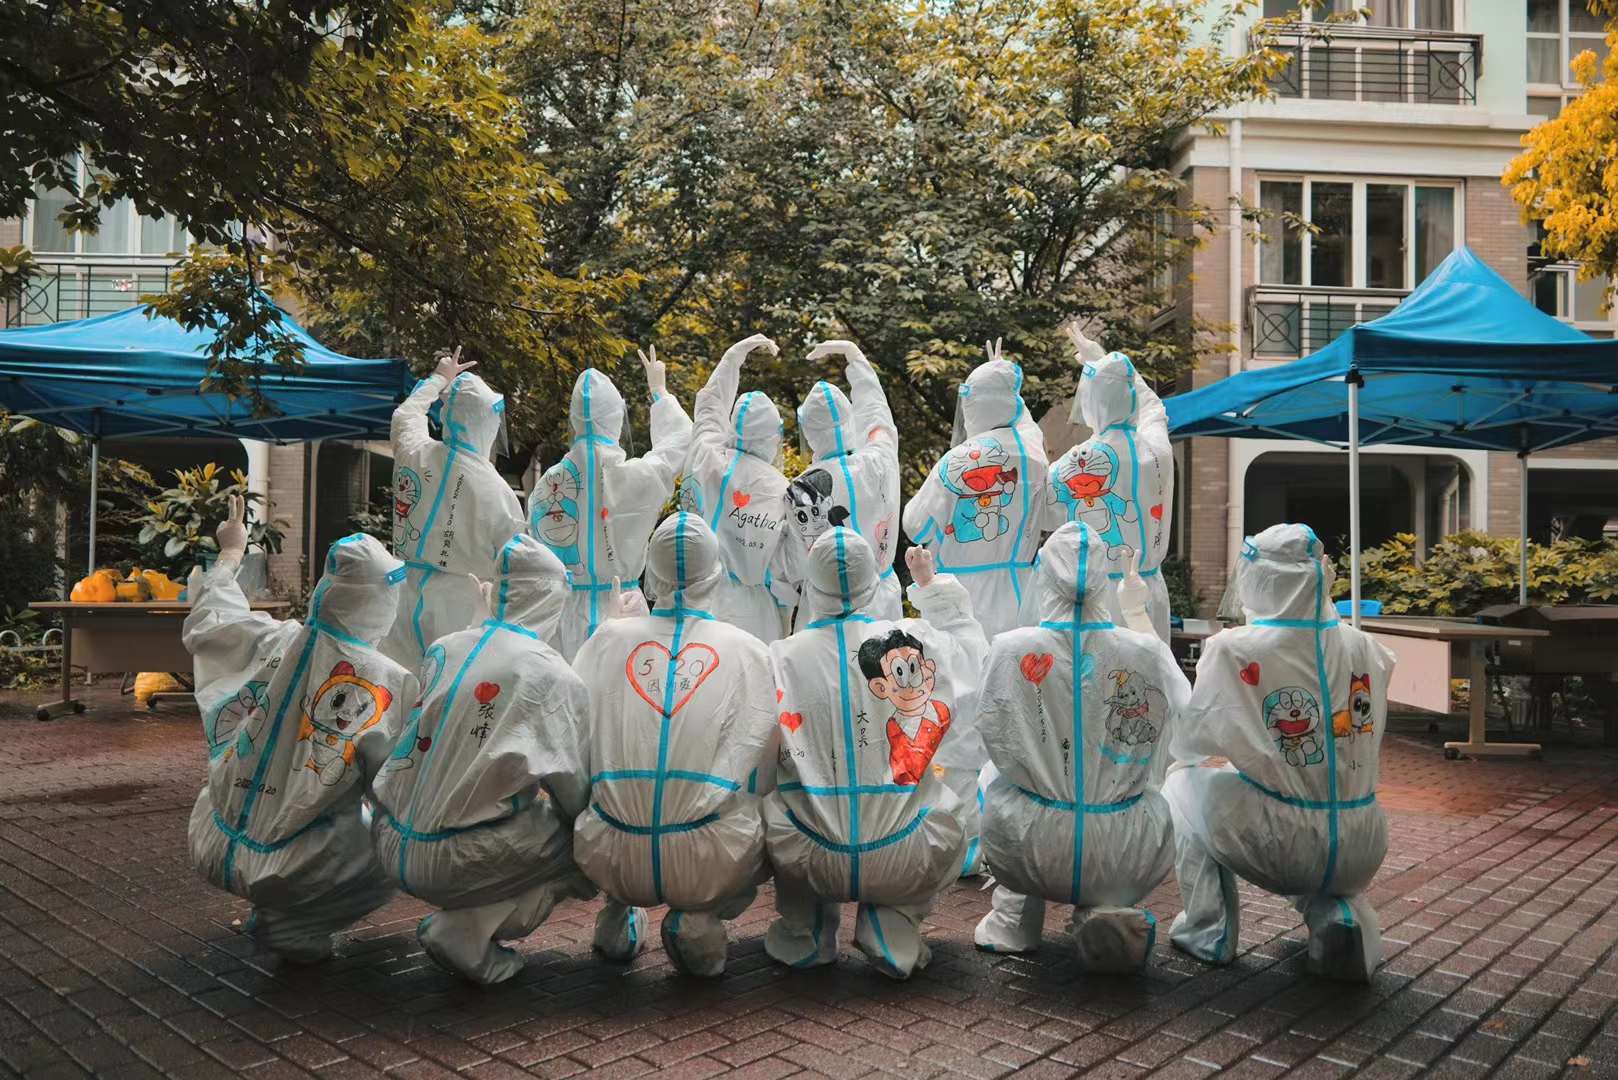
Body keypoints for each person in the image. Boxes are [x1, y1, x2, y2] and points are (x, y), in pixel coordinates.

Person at [184, 496, 415, 964]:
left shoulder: (276, 638)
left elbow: (212, 618)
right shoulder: (384, 680)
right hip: (295, 863)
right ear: (380, 601)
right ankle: (296, 925)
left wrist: (230, 553)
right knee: (395, 842)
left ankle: (274, 907)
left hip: (214, 838)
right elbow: (395, 784)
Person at [1161, 523, 1395, 982]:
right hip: (1364, 840)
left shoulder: (1234, 648)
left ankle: (1207, 931)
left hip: (1285, 842)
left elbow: (1192, 741)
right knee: (1308, 819)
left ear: (1260, 581)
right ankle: (1337, 917)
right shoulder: (1365, 645)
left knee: (1179, 784)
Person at [763, 528, 988, 978]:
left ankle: (805, 927)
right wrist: (932, 588)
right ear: (873, 582)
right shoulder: (910, 643)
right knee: (953, 804)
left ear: (811, 582)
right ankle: (894, 919)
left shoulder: (780, 657)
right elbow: (973, 660)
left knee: (776, 799)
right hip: (905, 847)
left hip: (808, 853)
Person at [370, 534, 594, 984]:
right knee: (589, 844)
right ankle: (468, 930)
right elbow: (571, 788)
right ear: (553, 599)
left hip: (391, 840)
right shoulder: (547, 672)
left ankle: (469, 909)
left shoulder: (445, 647)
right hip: (457, 855)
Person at [971, 522, 1188, 971]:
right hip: (1126, 846)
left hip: (1031, 842)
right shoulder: (1143, 651)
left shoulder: (1010, 648)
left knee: (995, 776)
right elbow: (1188, 727)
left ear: (1044, 577)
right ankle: (1111, 907)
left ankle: (1015, 922)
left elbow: (992, 731)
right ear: (1104, 581)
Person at [571, 512, 779, 976]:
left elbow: (575, 736)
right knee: (771, 810)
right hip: (711, 857)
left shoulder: (607, 639)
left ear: (651, 573)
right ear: (716, 573)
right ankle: (698, 920)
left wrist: (615, 626)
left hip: (608, 848)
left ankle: (618, 913)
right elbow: (765, 763)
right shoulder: (749, 650)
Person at [528, 349, 693, 660]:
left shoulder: (547, 484)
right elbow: (682, 440)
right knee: (621, 688)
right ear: (617, 418)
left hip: (560, 617)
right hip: (624, 610)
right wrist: (659, 391)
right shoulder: (636, 476)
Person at [382, 349, 526, 669]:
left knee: (400, 684)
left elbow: (405, 416)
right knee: (447, 689)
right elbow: (517, 566)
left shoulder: (415, 452)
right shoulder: (497, 491)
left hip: (403, 599)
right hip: (462, 611)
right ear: (487, 423)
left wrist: (438, 378)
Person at [902, 340, 1049, 639]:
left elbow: (917, 527)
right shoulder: (1033, 454)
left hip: (961, 599)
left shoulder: (955, 461)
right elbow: (1026, 424)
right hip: (1021, 594)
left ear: (973, 406)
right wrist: (1005, 382)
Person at [1041, 325, 1174, 642]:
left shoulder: (1072, 463)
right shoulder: (1156, 449)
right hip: (1147, 590)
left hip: (1092, 596)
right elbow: (1153, 407)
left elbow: (1043, 516)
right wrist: (1104, 360)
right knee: (1149, 667)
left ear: (1091, 401)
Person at [676, 333, 794, 642]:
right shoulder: (781, 489)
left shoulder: (705, 455)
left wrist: (734, 357)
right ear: (773, 437)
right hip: (753, 614)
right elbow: (786, 566)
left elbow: (710, 406)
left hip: (694, 599)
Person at [782, 340, 903, 628]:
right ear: (850, 419)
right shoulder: (880, 458)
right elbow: (877, 415)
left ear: (808, 432)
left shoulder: (800, 490)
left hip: (825, 607)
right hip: (883, 600)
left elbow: (795, 567)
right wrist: (856, 360)